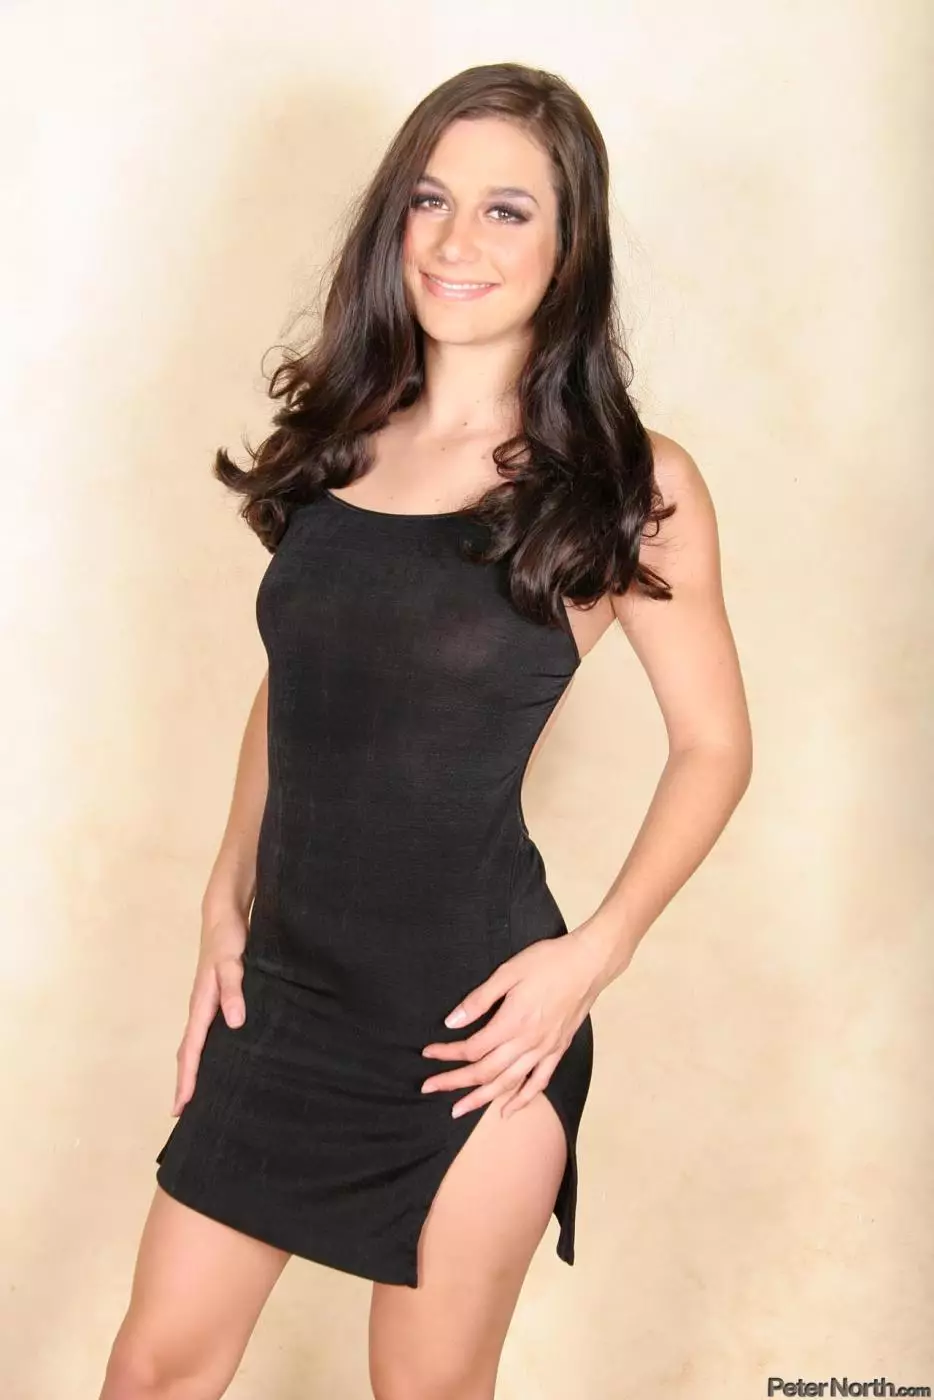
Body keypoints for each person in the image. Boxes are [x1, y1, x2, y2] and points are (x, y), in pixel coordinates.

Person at [99, 61, 752, 1400]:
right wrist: (225, 892)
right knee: (155, 1372)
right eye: (430, 200)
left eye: (508, 210)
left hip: (474, 1026)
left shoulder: (626, 483)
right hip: (284, 999)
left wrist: (590, 958)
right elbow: (301, 681)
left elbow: (714, 746)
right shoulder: (342, 436)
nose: (458, 241)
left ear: (570, 247)